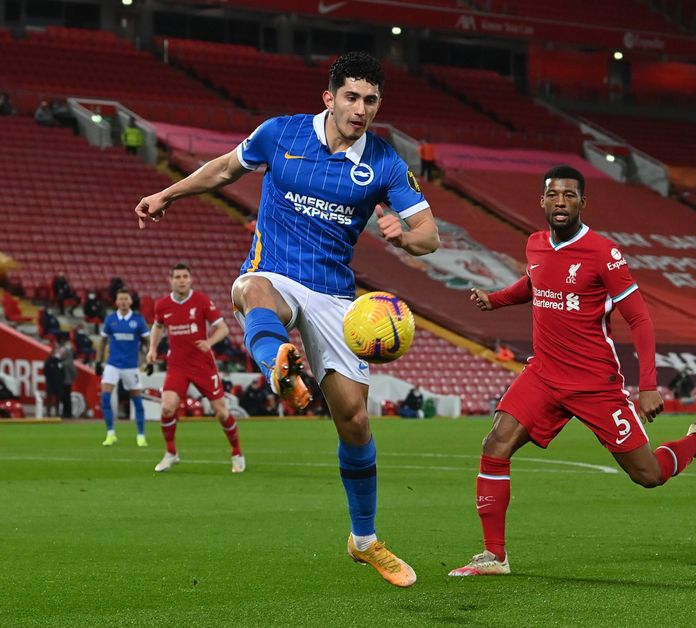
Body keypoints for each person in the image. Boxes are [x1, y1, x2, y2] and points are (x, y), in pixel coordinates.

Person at [134, 51, 439, 588]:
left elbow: (429, 236)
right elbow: (227, 168)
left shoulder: (386, 163)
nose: (360, 108)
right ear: (329, 97)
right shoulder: (281, 134)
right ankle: (279, 365)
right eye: (351, 97)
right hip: (272, 270)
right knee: (253, 291)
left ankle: (364, 540)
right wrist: (167, 193)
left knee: (356, 422)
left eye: (370, 100)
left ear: (378, 105)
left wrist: (404, 238)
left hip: (336, 298)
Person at [449, 165, 696, 577]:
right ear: (542, 201)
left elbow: (639, 320)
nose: (561, 202)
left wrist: (649, 386)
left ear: (583, 203)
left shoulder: (604, 252)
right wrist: (495, 300)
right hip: (544, 375)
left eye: (569, 195)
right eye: (553, 195)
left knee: (649, 475)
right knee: (495, 444)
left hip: (594, 384)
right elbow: (534, 283)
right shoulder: (535, 244)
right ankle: (494, 556)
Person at [145, 264, 245, 473]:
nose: (181, 280)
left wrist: (209, 342)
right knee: (167, 407)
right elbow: (158, 326)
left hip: (202, 365)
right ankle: (171, 453)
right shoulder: (162, 305)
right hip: (177, 365)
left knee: (220, 412)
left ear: (191, 280)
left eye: (185, 276)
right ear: (170, 280)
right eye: (177, 277)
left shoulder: (201, 301)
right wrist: (152, 349)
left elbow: (223, 328)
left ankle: (237, 453)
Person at [96, 288, 151, 447]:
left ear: (131, 301)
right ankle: (110, 433)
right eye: (121, 299)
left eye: (126, 299)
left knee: (137, 402)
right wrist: (99, 362)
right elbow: (103, 342)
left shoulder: (138, 320)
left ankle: (141, 435)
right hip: (112, 364)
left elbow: (148, 341)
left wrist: (149, 361)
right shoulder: (111, 319)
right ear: (116, 301)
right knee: (105, 398)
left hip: (131, 366)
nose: (123, 302)